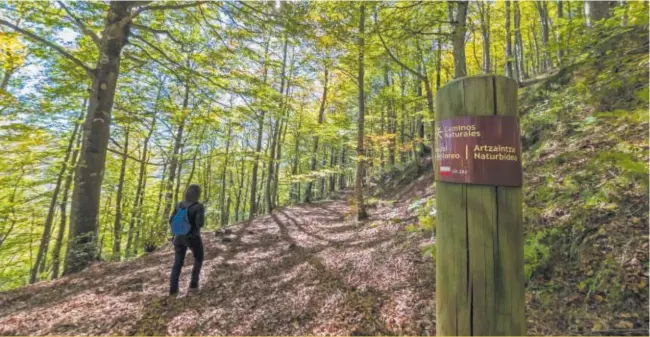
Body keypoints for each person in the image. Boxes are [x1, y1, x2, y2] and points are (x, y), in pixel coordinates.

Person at [169, 184, 205, 296]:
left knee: (177, 263)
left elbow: (171, 220)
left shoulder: (179, 205)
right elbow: (200, 224)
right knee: (199, 258)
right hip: (192, 237)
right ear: (198, 194)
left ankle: (173, 290)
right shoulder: (198, 206)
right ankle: (193, 286)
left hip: (178, 237)